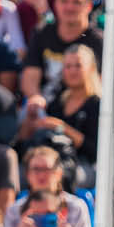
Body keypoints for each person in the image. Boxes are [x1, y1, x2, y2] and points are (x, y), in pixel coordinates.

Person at [24, 43, 98, 189]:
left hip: (82, 164)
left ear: (90, 69)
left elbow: (94, 149)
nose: (72, 71)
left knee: (59, 175)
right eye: (68, 66)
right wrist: (31, 120)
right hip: (50, 161)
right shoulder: (57, 103)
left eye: (78, 66)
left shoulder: (96, 104)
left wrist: (62, 128)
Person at [0, 146, 91, 227]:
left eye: (47, 169)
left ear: (59, 174)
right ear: (27, 175)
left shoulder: (76, 207)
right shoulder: (15, 210)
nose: (41, 175)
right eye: (36, 169)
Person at [22, 0, 102, 102]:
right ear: (55, 3)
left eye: (77, 2)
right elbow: (30, 77)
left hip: (82, 110)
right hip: (45, 108)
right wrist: (36, 100)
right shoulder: (42, 32)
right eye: (64, 1)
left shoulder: (98, 41)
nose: (69, 7)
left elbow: (100, 85)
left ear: (89, 6)